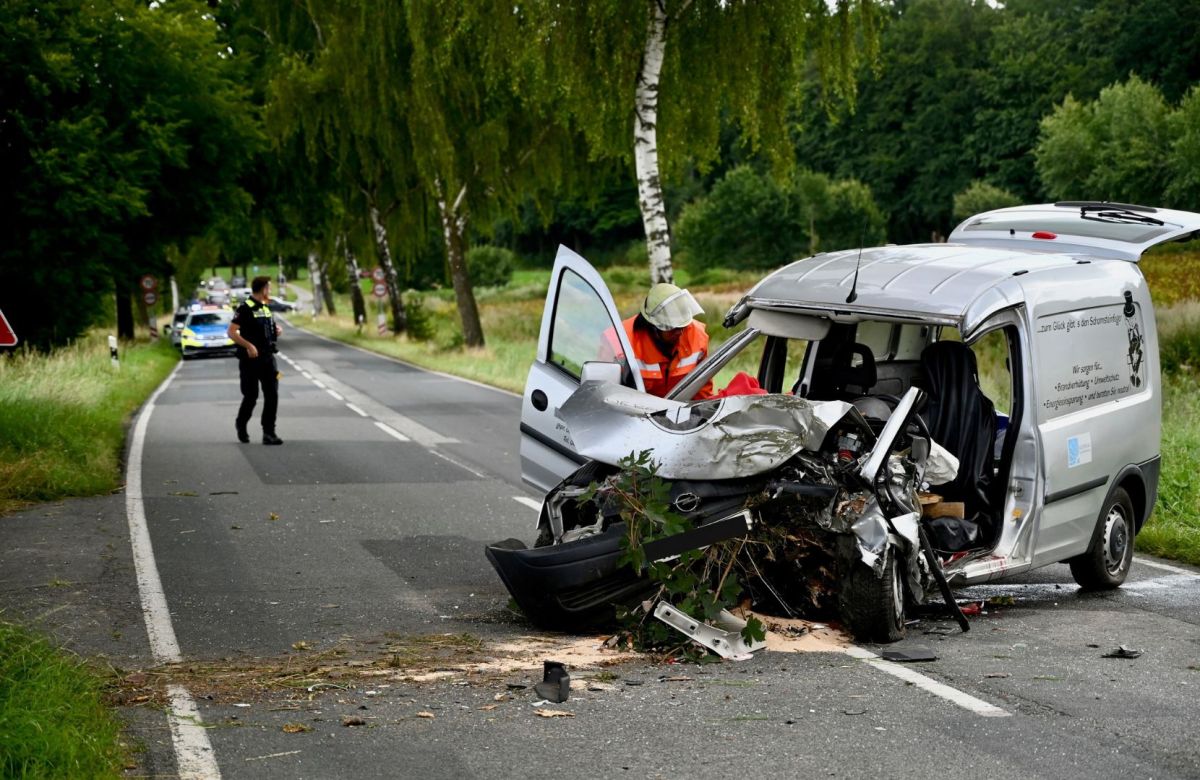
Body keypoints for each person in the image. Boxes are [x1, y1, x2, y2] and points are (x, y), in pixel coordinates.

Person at [602, 283, 715, 400]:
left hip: (679, 412)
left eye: (682, 327)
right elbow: (604, 392)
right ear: (653, 326)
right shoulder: (618, 340)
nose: (680, 333)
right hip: (633, 412)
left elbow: (702, 389)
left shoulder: (698, 336)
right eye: (673, 328)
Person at [228, 276, 284, 445]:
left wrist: (276, 330)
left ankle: (269, 433)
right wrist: (248, 346)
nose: (271, 290)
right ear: (263, 289)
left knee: (272, 394)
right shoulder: (245, 308)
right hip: (250, 361)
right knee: (251, 396)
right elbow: (231, 332)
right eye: (269, 287)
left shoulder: (266, 307)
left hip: (268, 359)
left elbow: (267, 329)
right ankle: (241, 423)